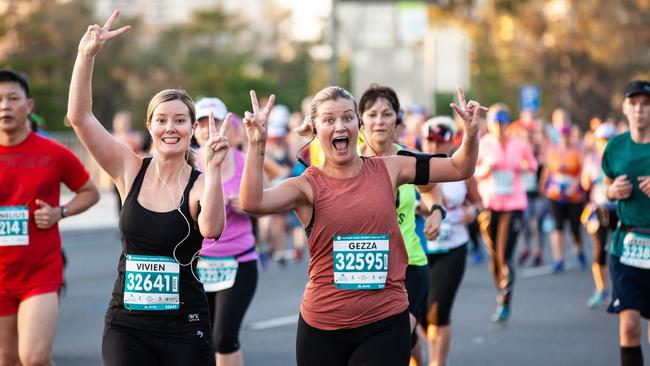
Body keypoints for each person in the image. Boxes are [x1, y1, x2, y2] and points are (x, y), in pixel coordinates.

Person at [240, 86, 485, 366]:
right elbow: (253, 202)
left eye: (347, 118)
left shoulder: (392, 168)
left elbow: (459, 168)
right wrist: (257, 144)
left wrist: (471, 133)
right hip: (322, 325)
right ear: (315, 130)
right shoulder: (306, 186)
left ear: (358, 123)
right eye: (329, 120)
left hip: (384, 321)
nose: (339, 126)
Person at [67, 11, 228, 365]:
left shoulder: (200, 184)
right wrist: (86, 55)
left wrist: (214, 170)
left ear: (191, 129)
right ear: (150, 126)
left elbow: (213, 229)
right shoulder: (129, 168)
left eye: (180, 120)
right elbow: (80, 118)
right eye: (162, 120)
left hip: (183, 324)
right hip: (128, 323)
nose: (171, 128)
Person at [0, 69, 100, 366]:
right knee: (7, 359)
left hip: (40, 274)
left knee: (34, 357)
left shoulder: (53, 153)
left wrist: (61, 212)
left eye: (13, 98)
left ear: (28, 105)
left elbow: (89, 192)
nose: (5, 105)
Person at [356, 84, 436, 365]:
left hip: (409, 265)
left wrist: (436, 211)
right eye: (372, 114)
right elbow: (308, 169)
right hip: (363, 265)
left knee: (395, 340)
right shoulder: (346, 159)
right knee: (381, 340)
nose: (379, 121)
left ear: (397, 120)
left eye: (387, 114)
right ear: (360, 120)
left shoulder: (407, 159)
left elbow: (432, 189)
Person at [193, 97, 258, 366]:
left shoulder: (244, 161)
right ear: (193, 129)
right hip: (196, 264)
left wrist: (249, 206)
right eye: (202, 123)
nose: (210, 128)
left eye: (216, 121)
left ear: (228, 126)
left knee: (224, 337)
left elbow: (270, 200)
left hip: (239, 261)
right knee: (200, 338)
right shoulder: (186, 163)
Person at [419, 116, 483, 366]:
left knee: (439, 310)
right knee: (420, 314)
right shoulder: (411, 166)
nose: (434, 147)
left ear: (450, 143)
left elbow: (479, 202)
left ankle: (438, 362)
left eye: (439, 142)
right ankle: (426, 350)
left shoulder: (460, 169)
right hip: (419, 248)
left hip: (453, 246)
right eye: (430, 141)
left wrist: (473, 212)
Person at [474, 104, 538, 322]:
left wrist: (523, 166)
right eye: (495, 123)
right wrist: (486, 170)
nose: (499, 128)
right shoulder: (484, 144)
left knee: (505, 254)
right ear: (490, 124)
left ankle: (505, 300)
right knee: (494, 256)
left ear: (508, 124)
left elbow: (534, 165)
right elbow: (472, 172)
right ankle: (501, 288)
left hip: (514, 204)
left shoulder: (519, 143)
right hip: (490, 203)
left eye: (502, 123)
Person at [602, 80, 650, 366]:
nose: (640, 110)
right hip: (626, 246)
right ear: (624, 108)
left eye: (646, 104)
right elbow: (603, 187)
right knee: (629, 325)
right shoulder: (615, 147)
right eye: (634, 104)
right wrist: (611, 192)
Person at [540, 120, 587, 273]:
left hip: (574, 196)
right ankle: (558, 259)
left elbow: (583, 171)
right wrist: (543, 185)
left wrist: (577, 184)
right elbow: (548, 170)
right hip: (555, 194)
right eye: (562, 135)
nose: (565, 138)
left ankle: (579, 251)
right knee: (557, 226)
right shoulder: (552, 151)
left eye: (567, 135)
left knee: (575, 228)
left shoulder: (577, 152)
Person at [581, 122, 618, 308]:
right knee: (598, 251)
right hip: (599, 209)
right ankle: (601, 288)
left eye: (609, 140)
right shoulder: (591, 160)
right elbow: (585, 184)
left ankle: (619, 289)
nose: (605, 144)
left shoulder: (622, 159)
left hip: (619, 210)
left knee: (620, 251)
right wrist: (589, 180)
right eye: (602, 140)